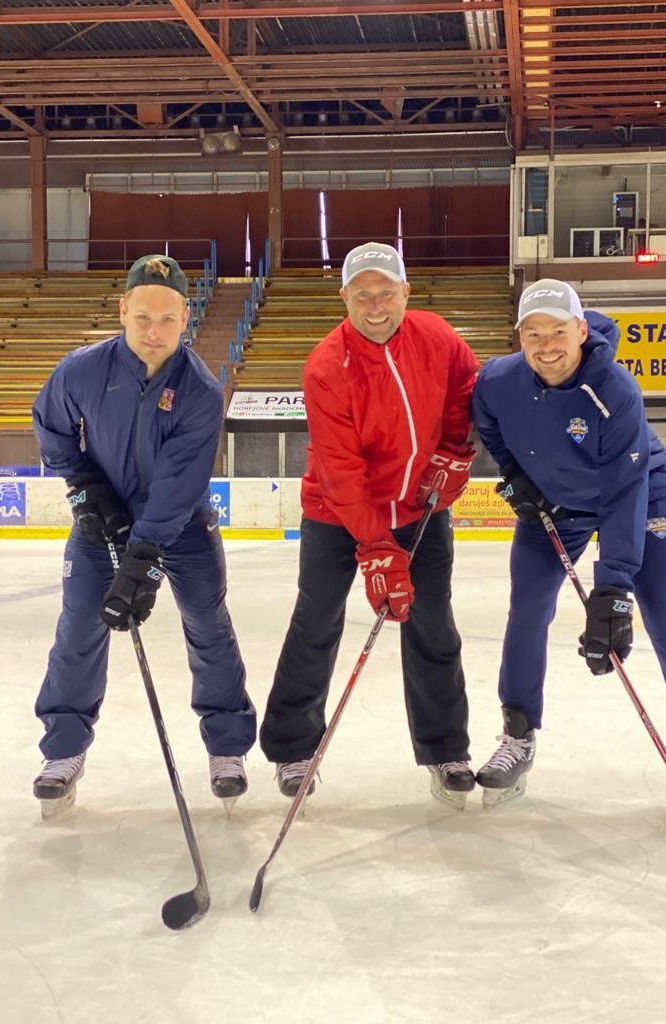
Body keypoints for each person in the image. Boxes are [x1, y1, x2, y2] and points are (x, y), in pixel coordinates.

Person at [471, 277, 666, 812]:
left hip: (638, 494)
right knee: (527, 611)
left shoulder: (613, 389)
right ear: (519, 336)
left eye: (559, 332)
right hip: (554, 506)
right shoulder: (497, 380)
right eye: (533, 334)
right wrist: (514, 474)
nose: (547, 346)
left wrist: (613, 587)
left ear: (581, 330)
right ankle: (518, 731)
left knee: (661, 610)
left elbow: (623, 490)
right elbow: (489, 426)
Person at [31, 254, 256, 815]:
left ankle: (227, 746)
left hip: (177, 527)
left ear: (186, 315)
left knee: (208, 622)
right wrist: (86, 489)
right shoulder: (81, 370)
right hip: (100, 521)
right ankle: (63, 748)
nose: (154, 332)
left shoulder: (200, 391)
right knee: (80, 623)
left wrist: (142, 560)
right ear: (124, 309)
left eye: (168, 319)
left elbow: (179, 485)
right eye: (143, 318)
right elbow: (52, 427)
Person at [259, 242, 479, 807]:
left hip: (419, 509)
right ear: (345, 300)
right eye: (362, 296)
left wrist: (454, 451)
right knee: (317, 621)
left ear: (406, 292)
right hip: (338, 512)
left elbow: (463, 392)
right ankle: (292, 746)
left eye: (385, 293)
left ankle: (446, 747)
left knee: (432, 623)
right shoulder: (328, 365)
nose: (375, 306)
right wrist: (376, 547)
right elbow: (342, 470)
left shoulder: (439, 338)